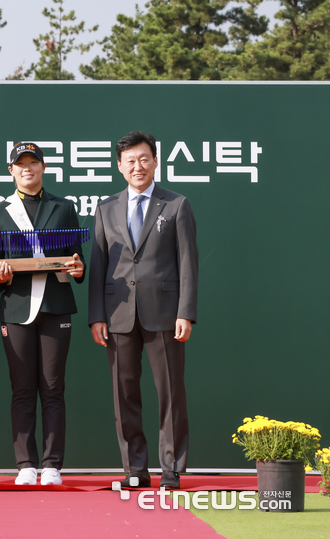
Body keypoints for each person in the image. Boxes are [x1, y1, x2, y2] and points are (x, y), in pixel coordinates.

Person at [88, 131, 198, 490]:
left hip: (165, 312)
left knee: (170, 392)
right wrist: (96, 316)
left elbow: (188, 263)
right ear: (119, 166)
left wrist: (186, 311)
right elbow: (99, 264)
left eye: (144, 159)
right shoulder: (106, 208)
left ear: (155, 161)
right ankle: (135, 468)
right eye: (130, 161)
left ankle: (171, 468)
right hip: (117, 314)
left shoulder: (177, 204)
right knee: (124, 395)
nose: (138, 166)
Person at [0, 142, 85, 486]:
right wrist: (0, 276)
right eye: (20, 164)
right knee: (22, 388)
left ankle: (52, 465)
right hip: (16, 307)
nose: (27, 169)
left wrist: (77, 268)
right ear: (10, 171)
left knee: (53, 387)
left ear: (43, 167)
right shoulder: (0, 211)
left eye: (33, 162)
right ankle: (26, 463)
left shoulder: (64, 207)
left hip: (56, 305)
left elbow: (77, 259)